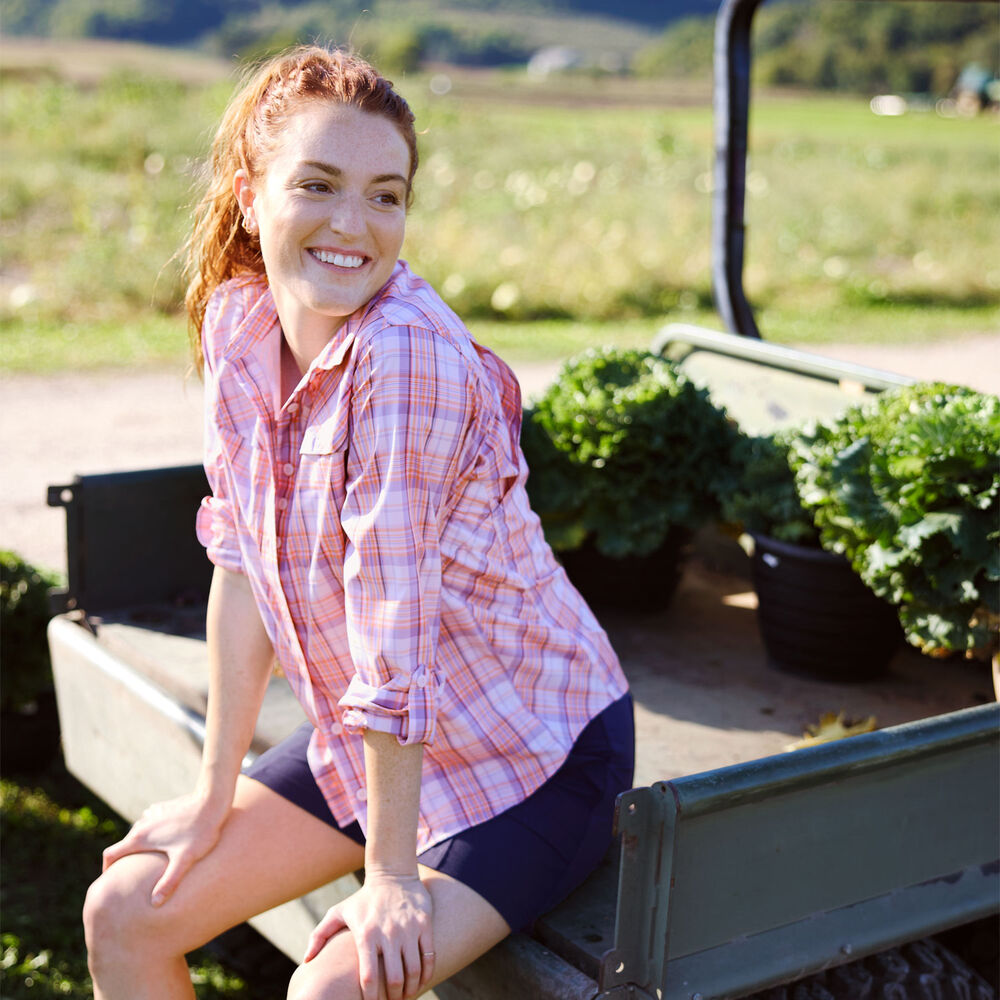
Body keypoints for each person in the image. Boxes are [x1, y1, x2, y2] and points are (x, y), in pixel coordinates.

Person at [83, 45, 633, 1000]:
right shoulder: (238, 324)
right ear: (251, 195)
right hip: (371, 737)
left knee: (330, 991)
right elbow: (243, 559)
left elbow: (392, 633)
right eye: (320, 185)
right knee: (123, 911)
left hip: (536, 753)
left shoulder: (406, 360)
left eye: (386, 195)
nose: (355, 224)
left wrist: (390, 877)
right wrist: (212, 796)